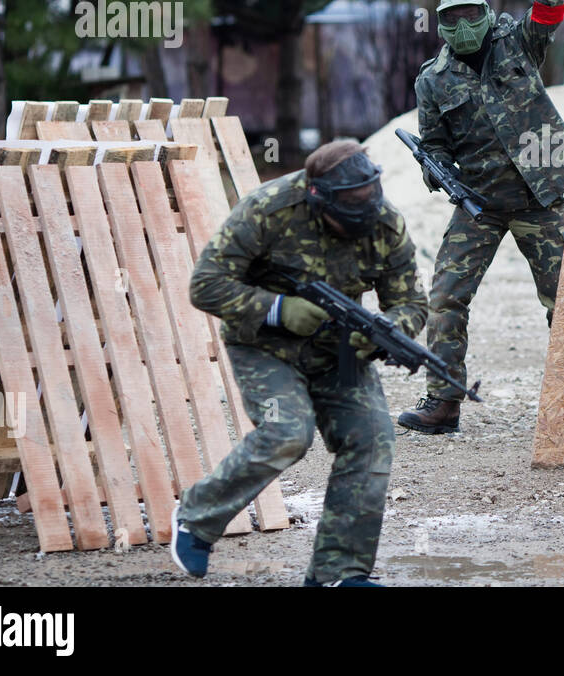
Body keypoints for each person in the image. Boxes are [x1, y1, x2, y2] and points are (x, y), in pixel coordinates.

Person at [170, 139, 427, 586]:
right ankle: (196, 517)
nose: (361, 216)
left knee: (371, 438)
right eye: (348, 209)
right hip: (264, 345)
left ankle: (338, 573)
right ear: (317, 197)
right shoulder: (267, 210)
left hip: (340, 349)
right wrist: (277, 308)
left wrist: (388, 332)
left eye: (367, 204)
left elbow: (410, 302)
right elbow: (205, 285)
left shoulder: (384, 222)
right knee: (288, 433)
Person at [397, 0, 564, 435]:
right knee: (447, 296)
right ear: (442, 24)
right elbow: (435, 141)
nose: (464, 23)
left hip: (537, 197)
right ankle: (443, 401)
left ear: (487, 12)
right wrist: (436, 170)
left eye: (472, 13)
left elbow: (552, 6)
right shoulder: (433, 77)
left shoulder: (519, 42)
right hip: (478, 206)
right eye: (453, 17)